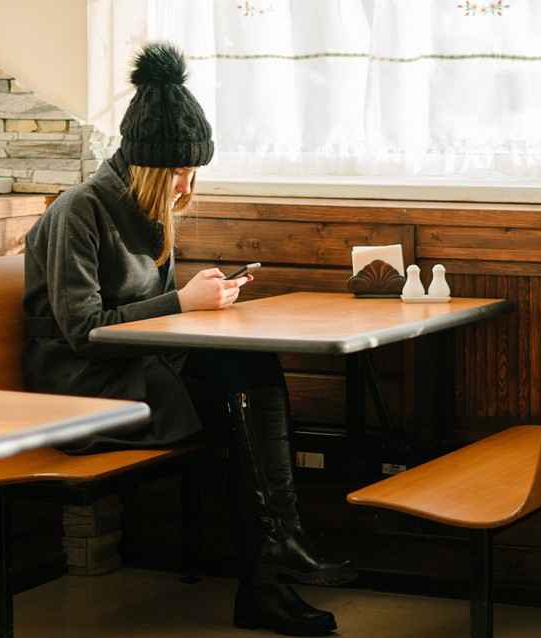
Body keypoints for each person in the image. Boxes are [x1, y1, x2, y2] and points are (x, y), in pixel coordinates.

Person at [21, 41, 354, 636]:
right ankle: (269, 573)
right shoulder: (79, 210)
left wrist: (206, 306)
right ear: (148, 164)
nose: (188, 183)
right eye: (179, 170)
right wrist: (182, 302)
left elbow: (154, 321)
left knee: (252, 374)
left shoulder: (149, 210)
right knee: (241, 408)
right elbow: (81, 330)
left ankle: (277, 555)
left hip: (138, 371)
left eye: (193, 168)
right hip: (81, 388)